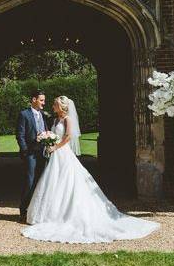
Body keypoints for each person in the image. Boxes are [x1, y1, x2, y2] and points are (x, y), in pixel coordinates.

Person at [21, 96, 160, 243]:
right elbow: (54, 134)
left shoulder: (68, 119)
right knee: (52, 181)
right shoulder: (55, 120)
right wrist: (48, 140)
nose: (52, 106)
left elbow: (68, 137)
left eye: (55, 104)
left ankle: (67, 214)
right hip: (55, 155)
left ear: (61, 106)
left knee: (67, 181)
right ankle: (49, 214)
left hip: (63, 153)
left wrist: (55, 146)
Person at [16, 90, 48, 224]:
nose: (43, 103)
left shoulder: (44, 115)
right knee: (29, 182)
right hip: (30, 154)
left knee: (40, 182)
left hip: (42, 154)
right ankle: (23, 211)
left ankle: (35, 211)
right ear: (34, 99)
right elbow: (20, 134)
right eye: (41, 100)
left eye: (44, 100)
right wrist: (25, 151)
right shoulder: (24, 114)